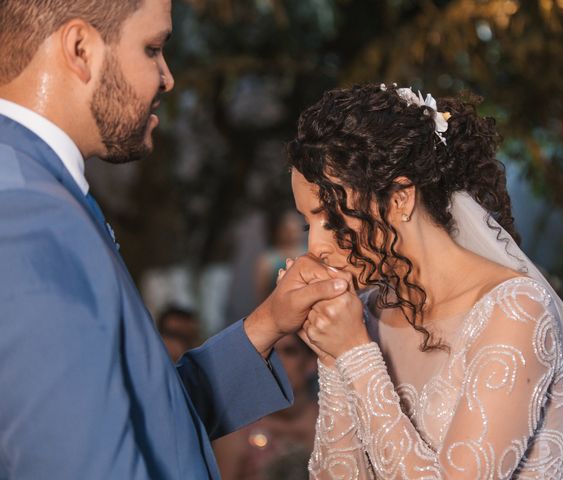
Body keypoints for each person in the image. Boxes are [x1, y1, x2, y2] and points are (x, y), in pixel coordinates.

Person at [0, 1, 349, 478]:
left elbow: (146, 418)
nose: (167, 78)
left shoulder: (41, 189)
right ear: (80, 48)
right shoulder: (25, 213)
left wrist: (267, 322)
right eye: (153, 49)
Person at [285, 83, 563, 478]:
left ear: (400, 198)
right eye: (308, 222)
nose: (314, 245)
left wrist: (354, 355)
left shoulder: (514, 309)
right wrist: (333, 356)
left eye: (331, 218)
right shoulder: (364, 317)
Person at [213, 334, 318, 479]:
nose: (277, 362)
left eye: (289, 351)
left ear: (311, 362)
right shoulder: (237, 429)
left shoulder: (335, 423)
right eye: (269, 352)